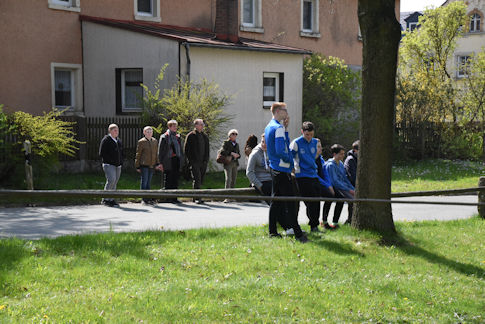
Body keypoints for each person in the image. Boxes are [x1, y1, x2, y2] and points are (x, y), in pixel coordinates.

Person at [264, 102, 308, 243]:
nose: (286, 113)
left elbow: (281, 143)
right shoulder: (278, 128)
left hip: (274, 167)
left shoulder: (270, 126)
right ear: (278, 111)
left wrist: (286, 128)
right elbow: (281, 149)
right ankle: (298, 234)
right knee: (291, 201)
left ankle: (273, 232)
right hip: (282, 169)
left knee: (275, 201)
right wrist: (290, 161)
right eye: (285, 110)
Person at [290, 121, 321, 233]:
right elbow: (289, 157)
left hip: (313, 174)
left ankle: (315, 225)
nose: (309, 137)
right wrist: (292, 169)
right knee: (310, 201)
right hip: (301, 175)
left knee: (317, 201)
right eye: (307, 134)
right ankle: (313, 225)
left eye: (311, 134)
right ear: (302, 132)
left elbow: (315, 156)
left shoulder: (315, 142)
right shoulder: (296, 143)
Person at [325, 144, 355, 226]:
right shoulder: (330, 165)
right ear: (334, 154)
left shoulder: (341, 164)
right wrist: (349, 190)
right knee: (352, 200)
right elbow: (335, 182)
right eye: (341, 154)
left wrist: (352, 188)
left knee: (354, 197)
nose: (343, 155)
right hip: (336, 188)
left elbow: (345, 179)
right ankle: (349, 220)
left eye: (343, 153)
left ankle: (339, 222)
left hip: (344, 186)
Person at [184, 119, 210, 204]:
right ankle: (197, 197)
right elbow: (186, 149)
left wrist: (206, 160)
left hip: (203, 162)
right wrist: (191, 161)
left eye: (203, 124)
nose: (202, 126)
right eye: (200, 124)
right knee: (197, 179)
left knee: (201, 179)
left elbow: (207, 149)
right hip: (194, 162)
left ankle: (197, 196)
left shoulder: (204, 136)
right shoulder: (191, 135)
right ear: (196, 125)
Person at [158, 120, 184, 203]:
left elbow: (180, 149)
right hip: (168, 160)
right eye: (173, 126)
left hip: (176, 159)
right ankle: (167, 197)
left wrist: (181, 159)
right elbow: (161, 151)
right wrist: (160, 163)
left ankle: (174, 198)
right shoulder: (164, 136)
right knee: (168, 179)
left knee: (175, 179)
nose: (175, 128)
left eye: (176, 126)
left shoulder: (178, 137)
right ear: (169, 127)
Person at [135, 126, 162, 204]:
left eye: (150, 131)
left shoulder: (154, 141)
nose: (149, 133)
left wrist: (157, 163)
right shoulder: (141, 142)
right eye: (147, 131)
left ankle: (148, 198)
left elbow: (156, 154)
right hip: (144, 164)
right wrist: (137, 165)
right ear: (144, 133)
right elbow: (138, 154)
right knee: (144, 182)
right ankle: (144, 198)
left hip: (152, 165)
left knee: (148, 182)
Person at [99, 124, 123, 207]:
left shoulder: (118, 140)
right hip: (109, 164)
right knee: (111, 180)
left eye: (117, 130)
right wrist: (111, 160)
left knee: (115, 181)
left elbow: (121, 152)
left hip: (118, 165)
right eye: (115, 130)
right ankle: (105, 199)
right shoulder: (106, 140)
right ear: (110, 131)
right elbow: (102, 153)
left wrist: (121, 161)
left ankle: (111, 199)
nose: (117, 132)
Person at [315, 139, 336, 229]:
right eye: (318, 147)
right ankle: (315, 223)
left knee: (331, 195)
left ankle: (324, 220)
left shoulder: (321, 159)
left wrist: (329, 185)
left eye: (321, 146)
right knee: (315, 202)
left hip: (322, 183)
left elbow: (325, 174)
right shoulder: (311, 159)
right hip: (314, 182)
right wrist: (326, 185)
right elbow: (315, 175)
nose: (320, 149)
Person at [219, 129, 241, 198]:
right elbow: (222, 151)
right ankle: (226, 197)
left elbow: (239, 154)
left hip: (235, 163)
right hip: (228, 163)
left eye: (236, 134)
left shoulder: (236, 144)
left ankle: (232, 196)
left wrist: (237, 155)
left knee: (233, 180)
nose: (234, 135)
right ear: (229, 135)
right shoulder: (226, 143)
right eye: (233, 134)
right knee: (228, 179)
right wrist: (231, 153)